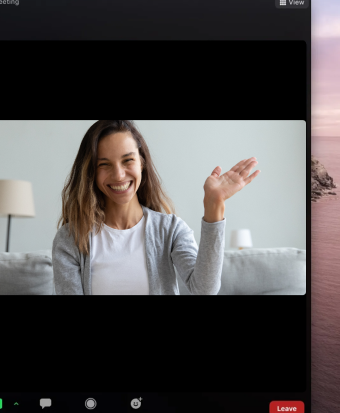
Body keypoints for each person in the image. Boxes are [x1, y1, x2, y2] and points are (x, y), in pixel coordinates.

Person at [51, 120, 260, 295]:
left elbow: (205, 289)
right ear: (91, 171)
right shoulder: (70, 239)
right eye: (104, 164)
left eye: (127, 160)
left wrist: (213, 206)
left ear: (141, 163)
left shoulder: (170, 230)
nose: (119, 175)